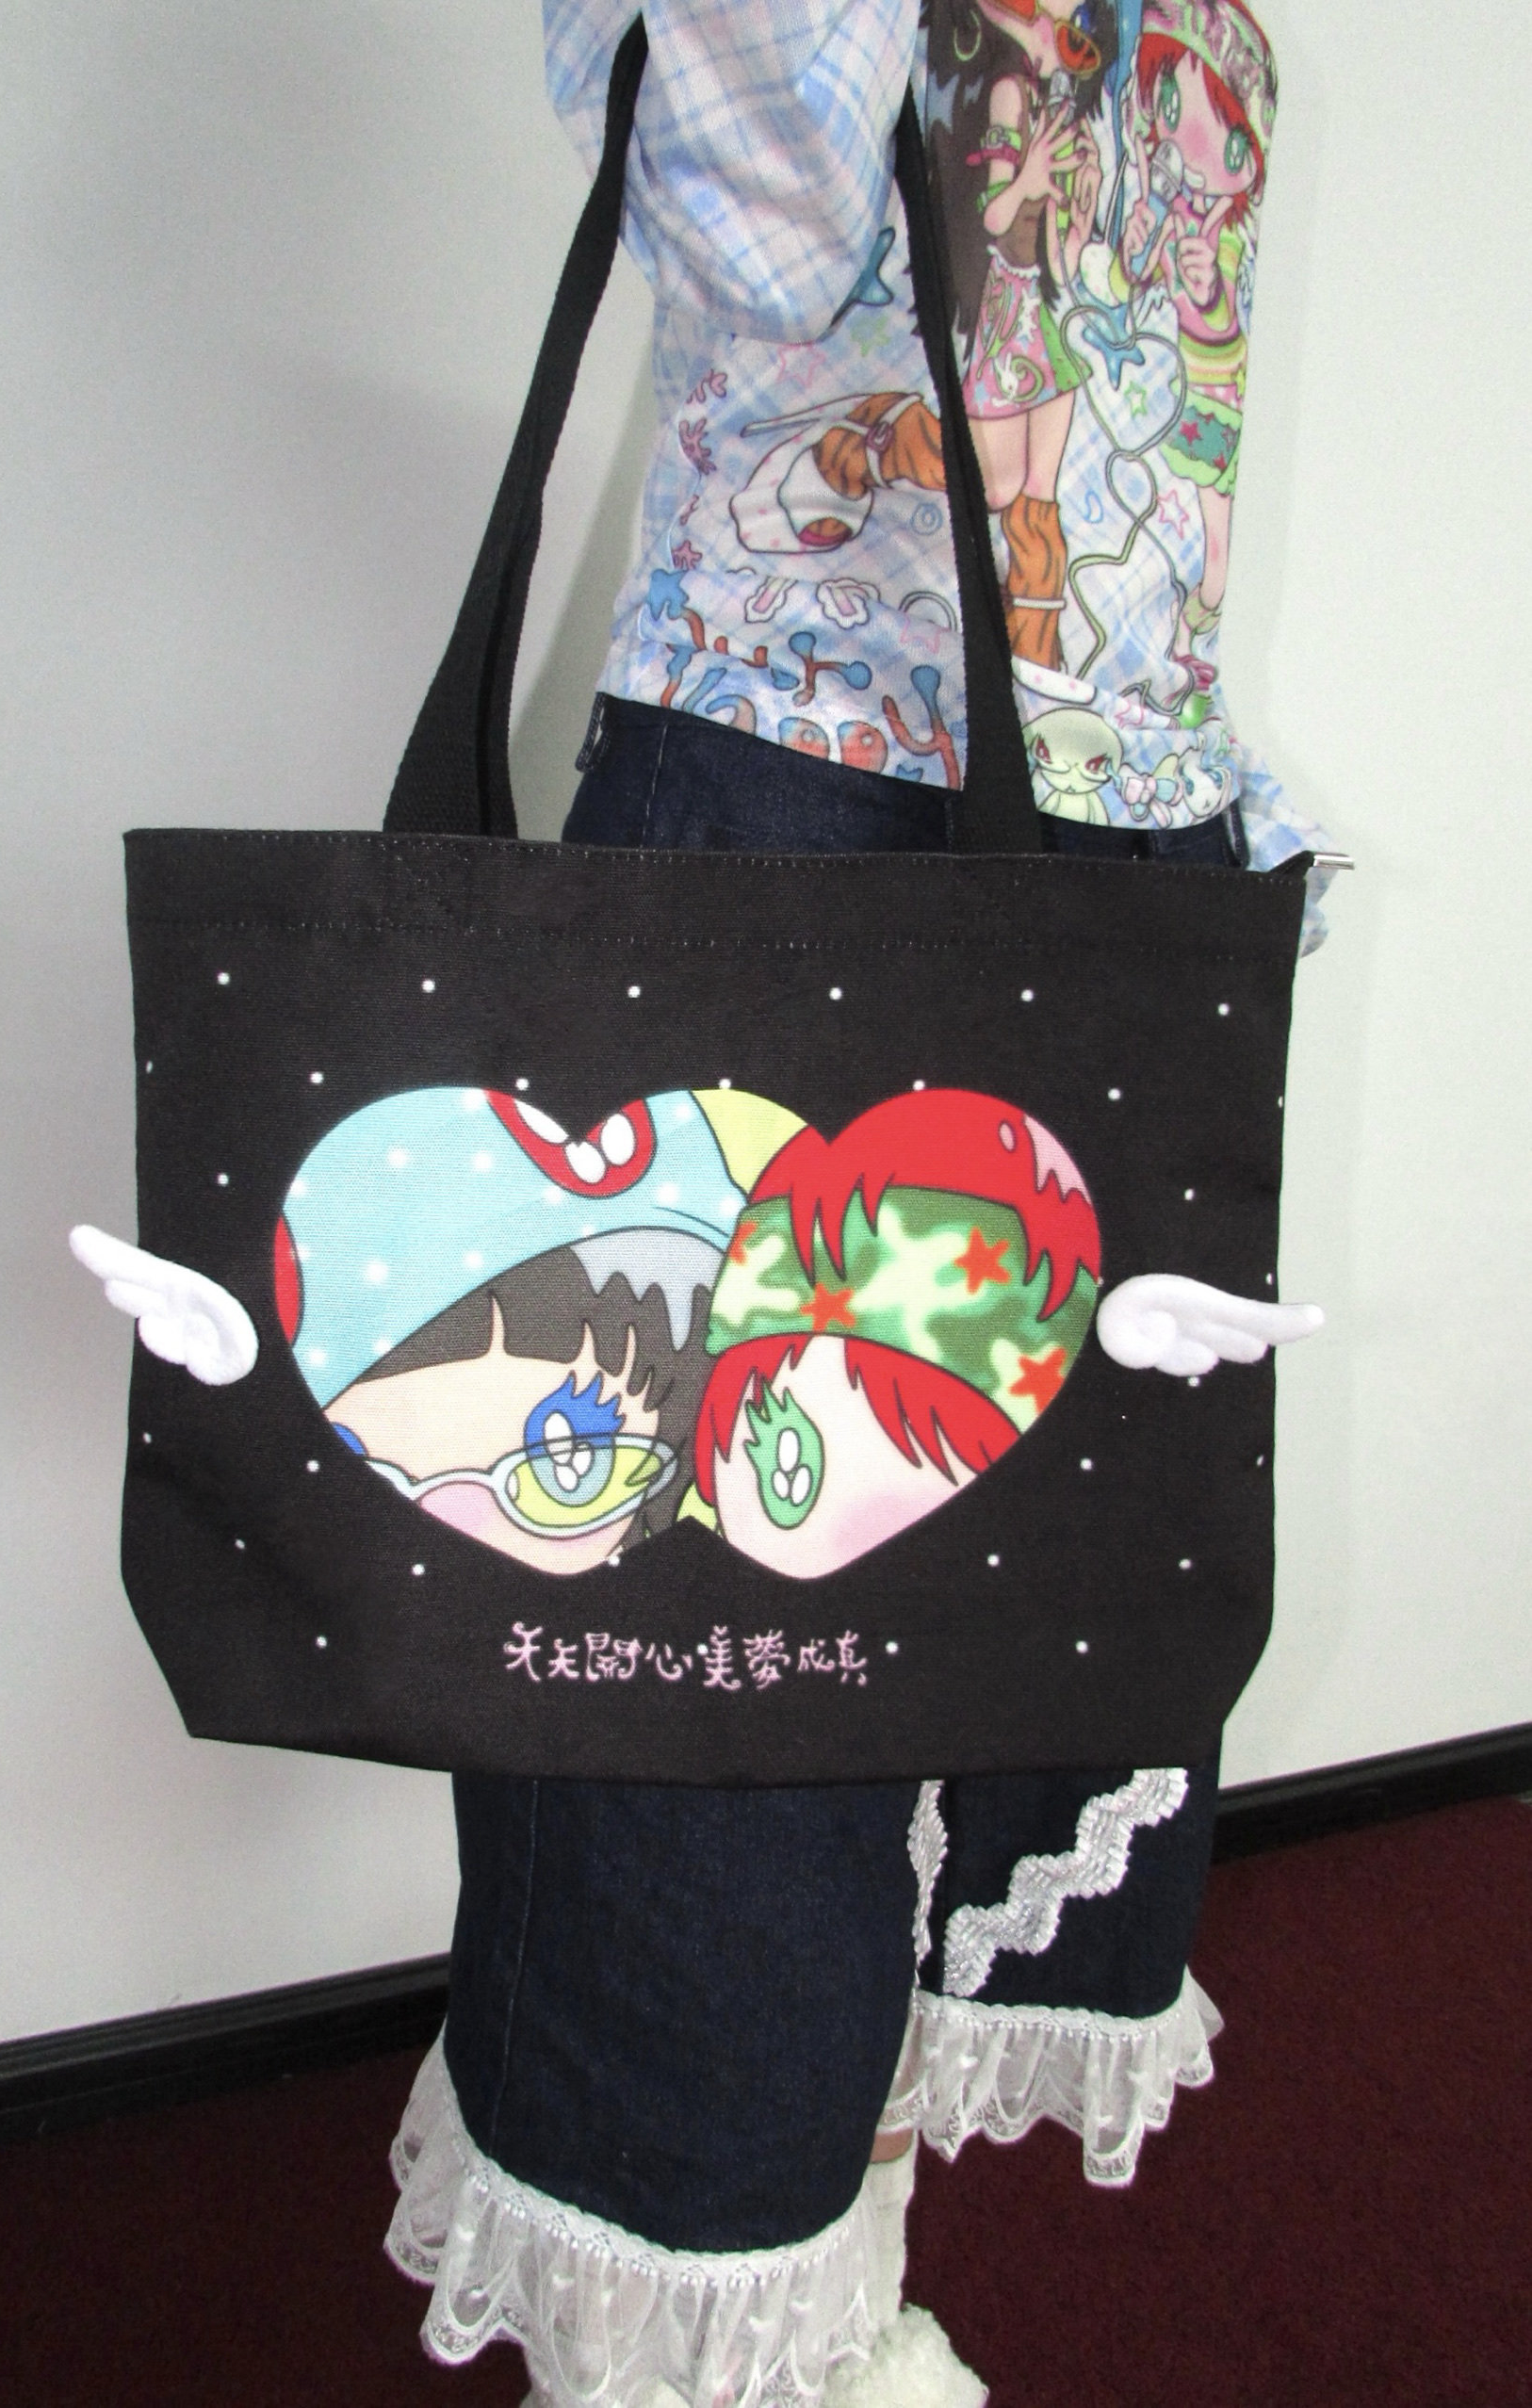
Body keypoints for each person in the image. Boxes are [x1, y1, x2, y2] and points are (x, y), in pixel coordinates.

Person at [373, 7, 1331, 2405]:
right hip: (790, 830)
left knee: (1003, 1661)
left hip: (1104, 852)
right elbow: (768, 216)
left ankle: (828, 2304)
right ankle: (694, 2348)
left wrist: (1191, 810)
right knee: (727, 1703)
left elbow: (1109, 440)